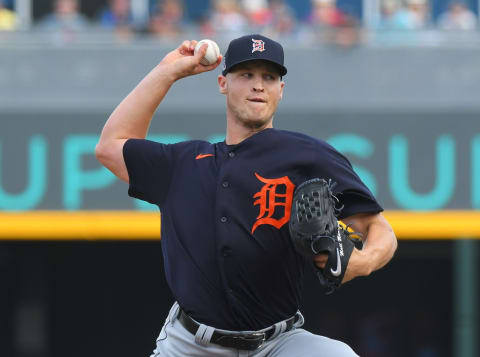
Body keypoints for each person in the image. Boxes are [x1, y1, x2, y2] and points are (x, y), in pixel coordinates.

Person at [95, 34, 397, 356]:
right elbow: (110, 146)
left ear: (281, 90)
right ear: (223, 83)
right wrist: (168, 72)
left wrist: (362, 262)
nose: (258, 85)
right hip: (190, 345)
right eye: (247, 74)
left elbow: (379, 229)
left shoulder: (308, 156)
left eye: (269, 77)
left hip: (279, 343)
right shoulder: (183, 165)